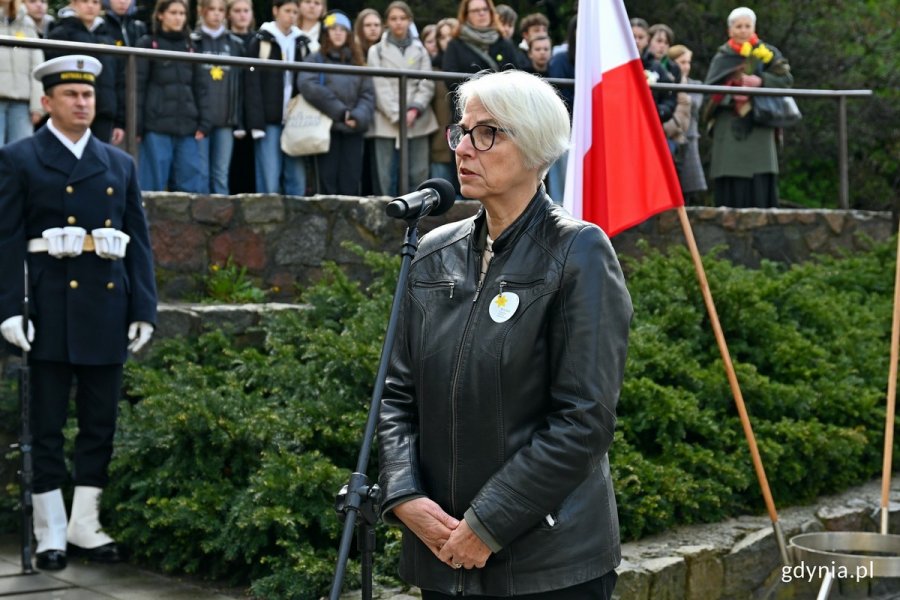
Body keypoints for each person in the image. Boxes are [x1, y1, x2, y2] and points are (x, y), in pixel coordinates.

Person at [378, 69, 632, 599]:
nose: (464, 148)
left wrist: (488, 525)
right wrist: (403, 495)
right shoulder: (432, 251)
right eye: (461, 131)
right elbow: (395, 394)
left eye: (487, 133)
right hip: (441, 555)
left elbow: (584, 420)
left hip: (548, 566)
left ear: (536, 148)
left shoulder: (578, 252)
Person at [0, 55, 157, 572]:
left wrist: (144, 307)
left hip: (106, 306)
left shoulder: (120, 164)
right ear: (46, 103)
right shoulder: (19, 158)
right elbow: (5, 241)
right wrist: (7, 309)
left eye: (88, 95)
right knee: (45, 427)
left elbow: (138, 243)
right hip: (46, 308)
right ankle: (49, 532)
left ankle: (84, 523)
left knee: (99, 424)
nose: (82, 103)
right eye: (70, 95)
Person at [705, 6, 793, 208]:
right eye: (738, 26)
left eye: (747, 26)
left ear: (754, 28)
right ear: (730, 31)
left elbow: (786, 80)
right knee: (731, 175)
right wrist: (732, 92)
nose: (743, 30)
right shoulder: (722, 56)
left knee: (761, 175)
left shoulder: (768, 53)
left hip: (761, 122)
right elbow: (711, 89)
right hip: (730, 123)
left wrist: (760, 81)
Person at [135, 0, 210, 192]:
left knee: (190, 192)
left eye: (182, 14)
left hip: (188, 128)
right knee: (152, 189)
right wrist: (137, 125)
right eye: (173, 13)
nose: (178, 18)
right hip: (156, 126)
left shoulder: (191, 46)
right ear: (160, 15)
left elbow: (201, 87)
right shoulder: (147, 43)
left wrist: (204, 122)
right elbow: (138, 88)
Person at [297, 9, 374, 195]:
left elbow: (368, 95)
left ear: (348, 34)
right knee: (326, 181)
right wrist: (341, 112)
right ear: (326, 33)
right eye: (333, 29)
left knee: (351, 180)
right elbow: (308, 85)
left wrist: (357, 116)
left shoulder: (358, 62)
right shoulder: (315, 59)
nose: (338, 32)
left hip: (353, 129)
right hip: (325, 130)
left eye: (342, 29)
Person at [368, 1, 437, 197]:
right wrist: (397, 114)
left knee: (418, 172)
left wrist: (414, 109)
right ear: (387, 22)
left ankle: (418, 217)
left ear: (409, 21)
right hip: (386, 118)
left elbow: (427, 81)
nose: (398, 23)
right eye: (393, 19)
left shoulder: (420, 49)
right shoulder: (377, 51)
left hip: (418, 118)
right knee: (386, 175)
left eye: (402, 18)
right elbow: (378, 84)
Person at [244, 0, 312, 196]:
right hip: (268, 119)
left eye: (294, 12)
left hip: (296, 119)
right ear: (275, 11)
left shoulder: (303, 43)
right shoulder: (261, 40)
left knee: (296, 179)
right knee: (269, 177)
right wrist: (256, 123)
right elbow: (252, 84)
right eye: (287, 11)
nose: (291, 15)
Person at [47, 0, 125, 145]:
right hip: (69, 112)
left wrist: (120, 121)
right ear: (74, 4)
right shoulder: (60, 34)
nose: (90, 6)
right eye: (85, 1)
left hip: (104, 113)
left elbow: (120, 81)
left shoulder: (110, 39)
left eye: (95, 2)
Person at [193, 0, 245, 194]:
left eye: (221, 10)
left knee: (221, 174)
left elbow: (241, 87)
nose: (216, 14)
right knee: (201, 173)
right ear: (202, 11)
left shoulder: (236, 45)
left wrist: (240, 122)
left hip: (226, 120)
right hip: (199, 121)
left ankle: (220, 222)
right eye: (211, 9)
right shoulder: (193, 42)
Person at [0, 0, 44, 145]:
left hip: (22, 105)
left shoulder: (27, 24)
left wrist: (37, 106)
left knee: (20, 158)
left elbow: (37, 66)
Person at [669, 44, 707, 202]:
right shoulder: (664, 81)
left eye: (688, 62)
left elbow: (695, 103)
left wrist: (681, 84)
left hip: (689, 139)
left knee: (688, 189)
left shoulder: (695, 85)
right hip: (670, 137)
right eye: (681, 62)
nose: (686, 66)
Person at [225, 0, 255, 193]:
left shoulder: (259, 41)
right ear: (229, 14)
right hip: (228, 111)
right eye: (237, 11)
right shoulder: (224, 41)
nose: (242, 15)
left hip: (253, 113)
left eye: (246, 10)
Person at [546, 15, 575, 203]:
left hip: (594, 130)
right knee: (563, 182)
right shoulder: (560, 61)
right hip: (567, 128)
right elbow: (560, 97)